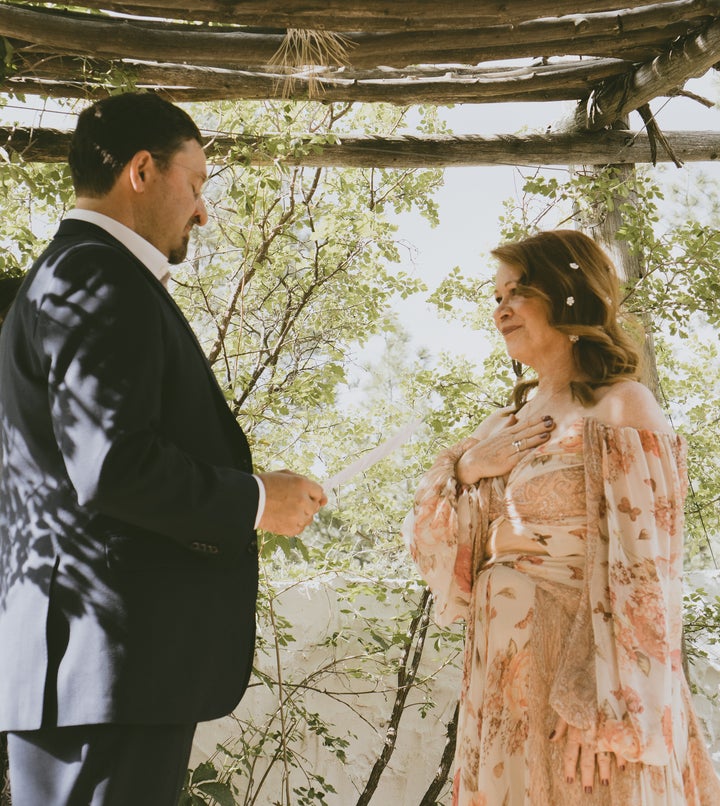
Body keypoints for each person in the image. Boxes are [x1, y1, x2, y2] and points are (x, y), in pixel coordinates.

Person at [0, 92, 327, 806]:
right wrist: (257, 501)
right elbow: (113, 465)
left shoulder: (65, 274)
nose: (203, 211)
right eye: (198, 183)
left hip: (93, 677)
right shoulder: (97, 275)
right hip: (107, 671)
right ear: (142, 171)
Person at [404, 229, 720, 805]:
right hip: (502, 677)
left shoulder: (621, 405)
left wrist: (602, 697)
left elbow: (649, 571)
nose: (500, 310)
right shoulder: (502, 423)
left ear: (568, 292)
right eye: (495, 296)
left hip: (584, 676)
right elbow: (437, 548)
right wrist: (469, 468)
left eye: (517, 292)